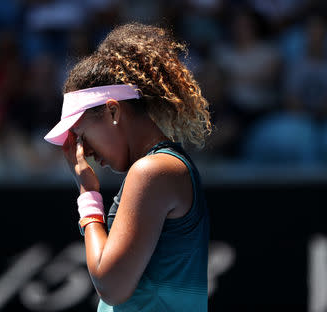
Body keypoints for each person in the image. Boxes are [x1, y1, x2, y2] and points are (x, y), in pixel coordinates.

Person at [44, 23, 211, 311]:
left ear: (113, 111)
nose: (85, 152)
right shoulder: (156, 170)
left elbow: (111, 285)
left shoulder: (153, 172)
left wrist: (87, 196)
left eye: (83, 136)